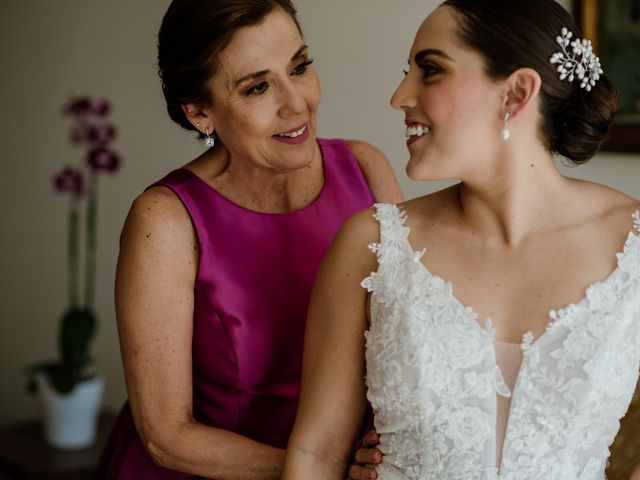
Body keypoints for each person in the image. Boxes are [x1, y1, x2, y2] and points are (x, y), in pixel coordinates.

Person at [281, 0, 640, 479]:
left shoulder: (632, 245)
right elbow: (317, 454)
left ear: (515, 93)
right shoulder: (372, 246)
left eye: (430, 70)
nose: (399, 96)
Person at [96, 0, 402, 478]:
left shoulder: (367, 170)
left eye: (299, 67)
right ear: (200, 112)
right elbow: (166, 434)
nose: (296, 103)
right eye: (258, 87)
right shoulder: (166, 219)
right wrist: (324, 469)